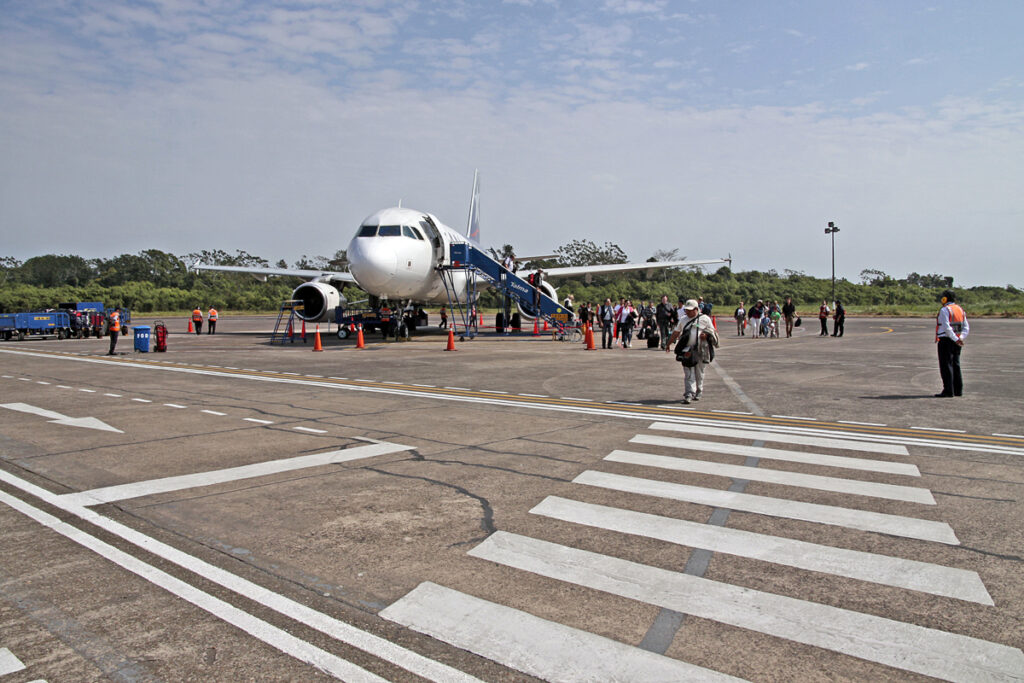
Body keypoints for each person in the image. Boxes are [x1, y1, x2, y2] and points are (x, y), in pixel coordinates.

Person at [665, 299, 719, 404]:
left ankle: (699, 391)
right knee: (689, 373)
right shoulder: (683, 319)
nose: (688, 312)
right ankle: (689, 393)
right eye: (686, 310)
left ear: (696, 309)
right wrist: (668, 344)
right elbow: (676, 333)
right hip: (687, 350)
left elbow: (712, 331)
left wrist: (706, 335)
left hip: (701, 350)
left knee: (700, 372)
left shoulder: (705, 319)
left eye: (690, 310)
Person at [935, 290, 969, 397]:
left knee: (946, 365)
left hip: (946, 340)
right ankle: (958, 390)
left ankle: (948, 390)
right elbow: (966, 327)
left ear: (945, 299)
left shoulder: (945, 310)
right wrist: (960, 338)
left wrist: (954, 338)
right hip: (957, 341)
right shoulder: (960, 310)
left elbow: (946, 327)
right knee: (956, 364)